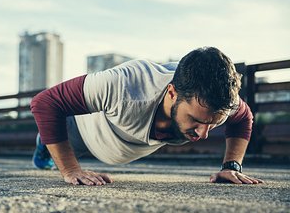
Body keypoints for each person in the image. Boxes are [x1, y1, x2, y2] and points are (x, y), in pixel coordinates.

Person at [30, 47, 264, 186]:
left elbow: (243, 118)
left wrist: (232, 166)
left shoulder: (220, 101)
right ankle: (44, 143)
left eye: (214, 124)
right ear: (172, 92)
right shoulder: (124, 85)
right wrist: (70, 169)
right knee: (57, 136)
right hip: (86, 132)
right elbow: (45, 102)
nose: (203, 134)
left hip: (127, 146)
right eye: (197, 120)